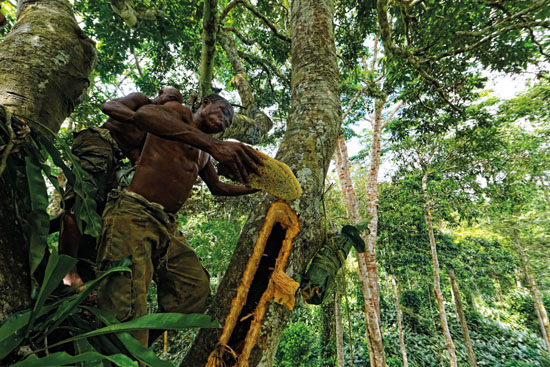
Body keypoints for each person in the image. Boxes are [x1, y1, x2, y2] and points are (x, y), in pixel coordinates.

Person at [96, 95, 263, 346]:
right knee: (125, 305)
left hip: (167, 225)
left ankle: (137, 344)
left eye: (229, 121)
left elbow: (218, 188)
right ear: (205, 103)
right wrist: (214, 145)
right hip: (135, 213)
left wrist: (258, 187)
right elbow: (145, 116)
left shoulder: (204, 153)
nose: (226, 121)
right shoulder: (177, 112)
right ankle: (127, 349)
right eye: (224, 111)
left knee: (193, 290)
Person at [59, 87, 184, 289]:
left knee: (101, 214)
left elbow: (136, 156)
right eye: (171, 98)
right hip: (99, 141)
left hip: (115, 159)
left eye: (176, 103)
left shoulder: (153, 131)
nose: (171, 104)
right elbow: (109, 106)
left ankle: (83, 270)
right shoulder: (141, 100)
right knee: (82, 204)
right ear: (160, 93)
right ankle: (66, 272)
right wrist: (141, 117)